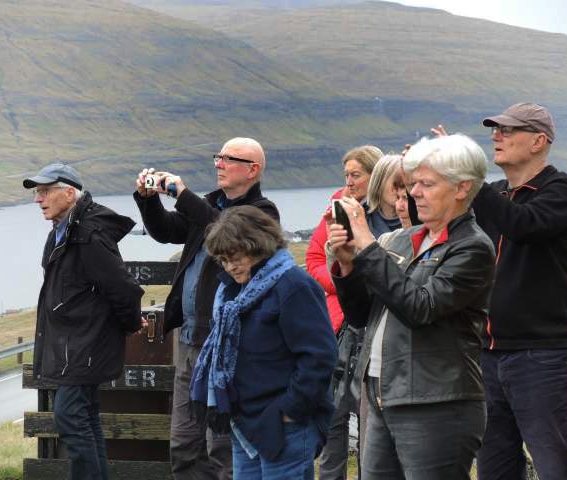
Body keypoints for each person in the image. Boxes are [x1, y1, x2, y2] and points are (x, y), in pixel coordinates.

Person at [329, 134, 496, 480]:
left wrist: (366, 245)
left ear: (462, 187)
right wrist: (347, 267)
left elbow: (420, 308)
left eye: (426, 183)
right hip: (382, 393)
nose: (413, 192)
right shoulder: (403, 239)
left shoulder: (472, 249)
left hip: (436, 402)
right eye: (411, 183)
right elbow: (362, 315)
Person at [134, 138, 279, 480]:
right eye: (218, 157)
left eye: (228, 159)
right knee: (184, 445)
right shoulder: (210, 204)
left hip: (229, 342)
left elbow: (230, 234)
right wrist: (148, 200)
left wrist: (184, 196)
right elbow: (165, 231)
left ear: (252, 169)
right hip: (189, 338)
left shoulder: (264, 211)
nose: (219, 164)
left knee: (222, 446)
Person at [472, 103, 567, 480]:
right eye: (494, 130)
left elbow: (524, 224)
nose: (495, 136)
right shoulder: (494, 193)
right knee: (495, 470)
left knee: (556, 470)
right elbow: (432, 218)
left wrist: (469, 182)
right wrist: (428, 173)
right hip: (488, 355)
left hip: (541, 358)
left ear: (538, 141)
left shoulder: (561, 189)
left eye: (507, 130)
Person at [190, 206, 338, 480]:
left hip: (284, 427)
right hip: (246, 424)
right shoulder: (233, 291)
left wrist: (289, 411)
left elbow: (320, 356)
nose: (229, 266)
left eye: (235, 256)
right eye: (222, 259)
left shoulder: (294, 285)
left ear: (257, 245)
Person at [24, 163, 144, 480]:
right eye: (37, 192)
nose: (39, 199)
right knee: (85, 418)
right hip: (76, 344)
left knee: (68, 417)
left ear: (68, 193)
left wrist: (130, 324)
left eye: (45, 191)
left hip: (86, 345)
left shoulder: (89, 235)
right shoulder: (63, 233)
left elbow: (124, 289)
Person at [306, 145, 383, 480]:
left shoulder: (386, 214)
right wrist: (343, 281)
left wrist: (348, 276)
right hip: (336, 326)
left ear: (374, 176)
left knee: (369, 418)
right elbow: (313, 260)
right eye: (347, 175)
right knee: (332, 416)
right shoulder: (336, 206)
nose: (349, 182)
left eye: (357, 175)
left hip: (373, 329)